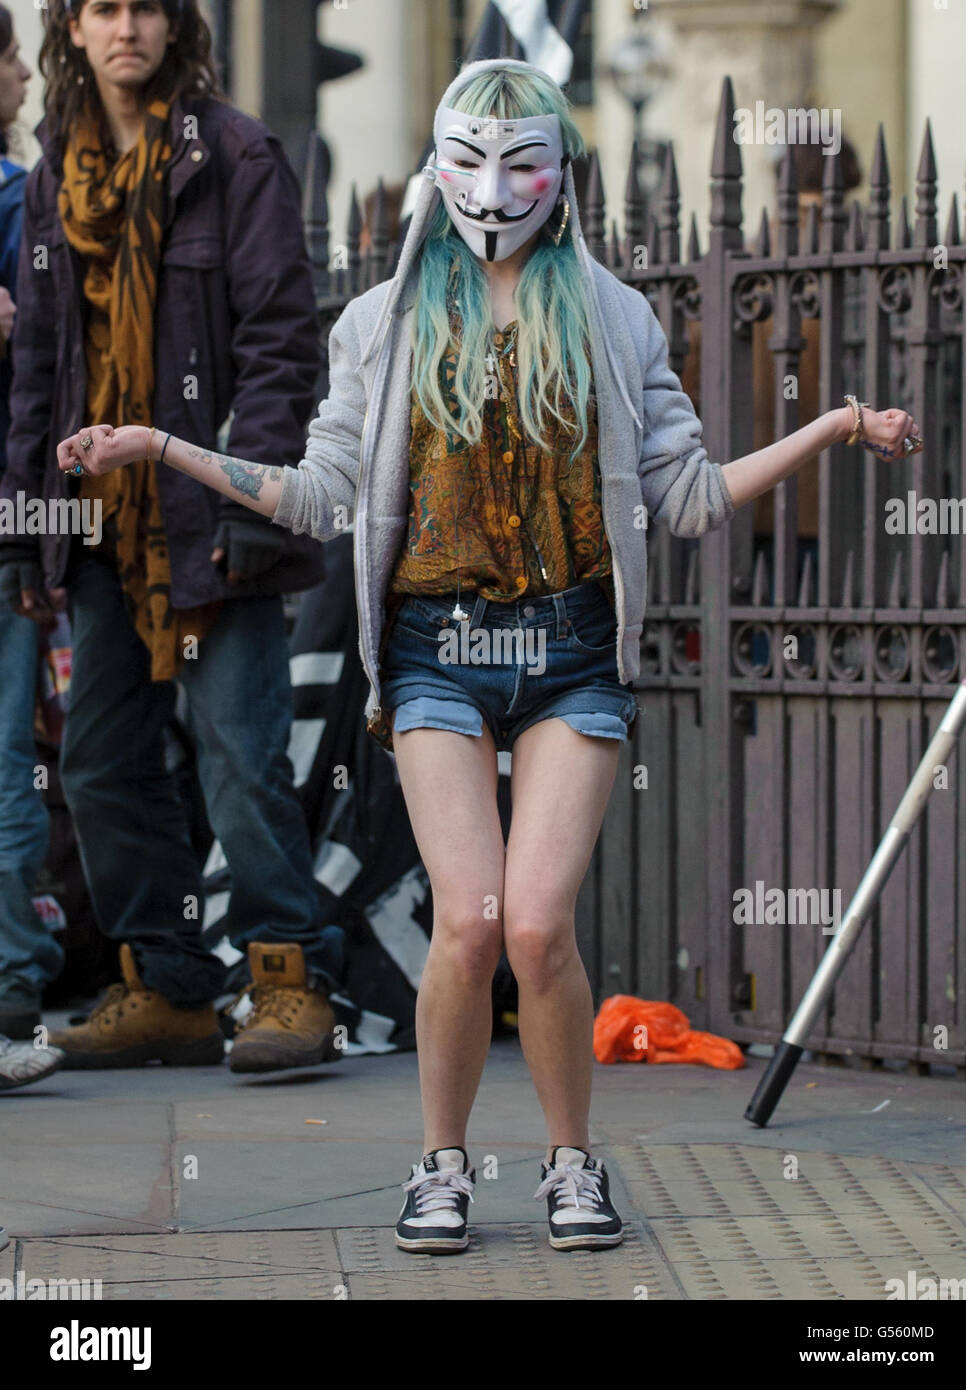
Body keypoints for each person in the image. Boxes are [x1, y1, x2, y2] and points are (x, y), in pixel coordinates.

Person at [54, 58, 922, 1251]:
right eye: (472, 160)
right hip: (434, 650)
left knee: (535, 927)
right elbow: (320, 494)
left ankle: (574, 1163)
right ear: (437, 171)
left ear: (561, 172)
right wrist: (165, 443)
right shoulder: (384, 321)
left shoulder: (613, 315)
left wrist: (830, 425)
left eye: (524, 161)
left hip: (571, 653)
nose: (498, 188)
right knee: (468, 918)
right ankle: (441, 1166)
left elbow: (687, 499)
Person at [0, 0, 340, 1075]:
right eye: (104, 8)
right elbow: (43, 366)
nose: (126, 29)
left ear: (174, 26)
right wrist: (25, 526)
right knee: (100, 762)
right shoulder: (61, 173)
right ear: (74, 29)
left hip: (207, 512)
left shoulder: (235, 155)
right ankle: (171, 984)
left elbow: (283, 342)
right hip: (100, 521)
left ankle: (290, 977)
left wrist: (250, 499)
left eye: (146, 7)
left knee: (240, 752)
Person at [0, 3, 67, 1041]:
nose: (21, 74)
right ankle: (14, 971)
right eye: (7, 55)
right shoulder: (24, 200)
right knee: (12, 752)